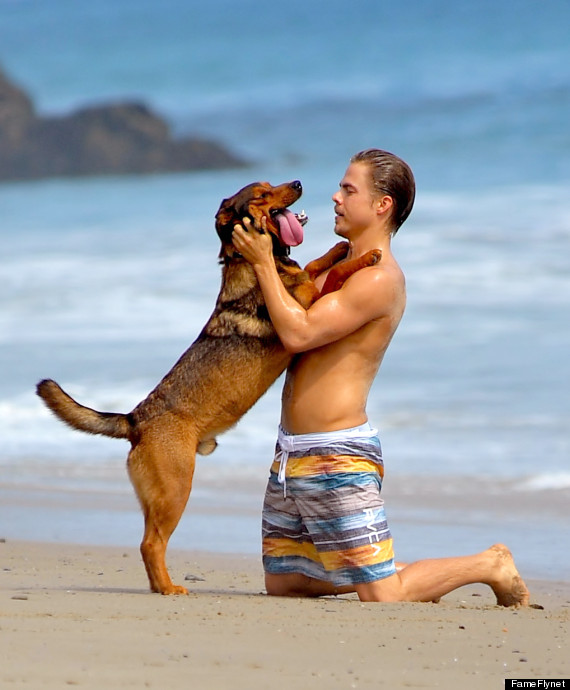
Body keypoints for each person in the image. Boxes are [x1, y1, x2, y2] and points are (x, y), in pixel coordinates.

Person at [232, 148, 529, 606]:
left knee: (382, 597)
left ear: (381, 205)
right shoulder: (333, 266)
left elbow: (299, 332)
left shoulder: (378, 280)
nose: (335, 197)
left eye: (349, 190)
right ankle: (378, 570)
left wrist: (263, 264)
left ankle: (489, 564)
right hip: (292, 455)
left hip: (338, 455)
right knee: (287, 584)